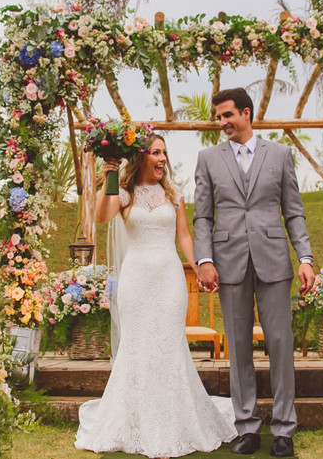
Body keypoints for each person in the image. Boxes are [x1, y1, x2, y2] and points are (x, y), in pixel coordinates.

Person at [75, 134, 236, 459]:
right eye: (156, 153)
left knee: (168, 346)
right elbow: (103, 215)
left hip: (168, 279)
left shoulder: (173, 194)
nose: (163, 158)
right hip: (136, 280)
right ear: (142, 157)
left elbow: (185, 237)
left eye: (165, 153)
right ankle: (134, 420)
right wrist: (109, 173)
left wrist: (201, 266)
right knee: (137, 346)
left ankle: (174, 421)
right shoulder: (123, 193)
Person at [193, 87, 316, 457]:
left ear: (246, 114)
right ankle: (246, 427)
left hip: (274, 260)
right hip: (228, 262)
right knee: (239, 347)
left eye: (228, 115)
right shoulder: (207, 159)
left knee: (280, 344)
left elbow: (293, 211)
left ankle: (284, 430)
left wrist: (305, 257)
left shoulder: (280, 154)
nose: (222, 123)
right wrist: (204, 260)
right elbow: (202, 216)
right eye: (218, 117)